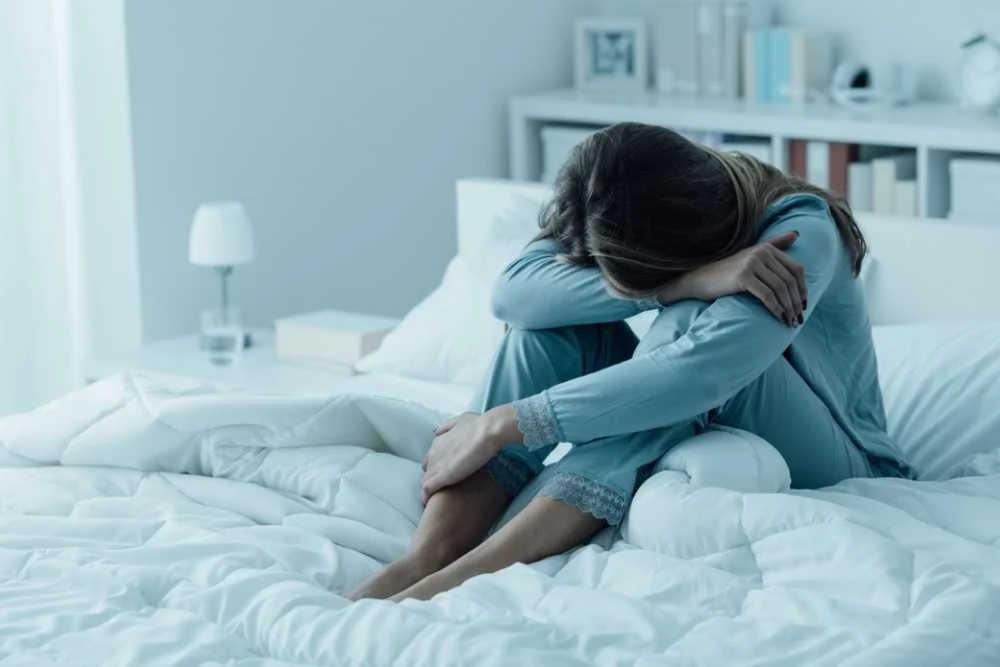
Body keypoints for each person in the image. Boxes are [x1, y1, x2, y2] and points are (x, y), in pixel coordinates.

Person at [347, 122, 908, 602]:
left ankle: (461, 578)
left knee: (682, 340)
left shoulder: (799, 231)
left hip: (845, 461)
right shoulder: (621, 190)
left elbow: (701, 372)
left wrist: (504, 423)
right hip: (705, 359)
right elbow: (513, 294)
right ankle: (424, 560)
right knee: (546, 335)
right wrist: (680, 282)